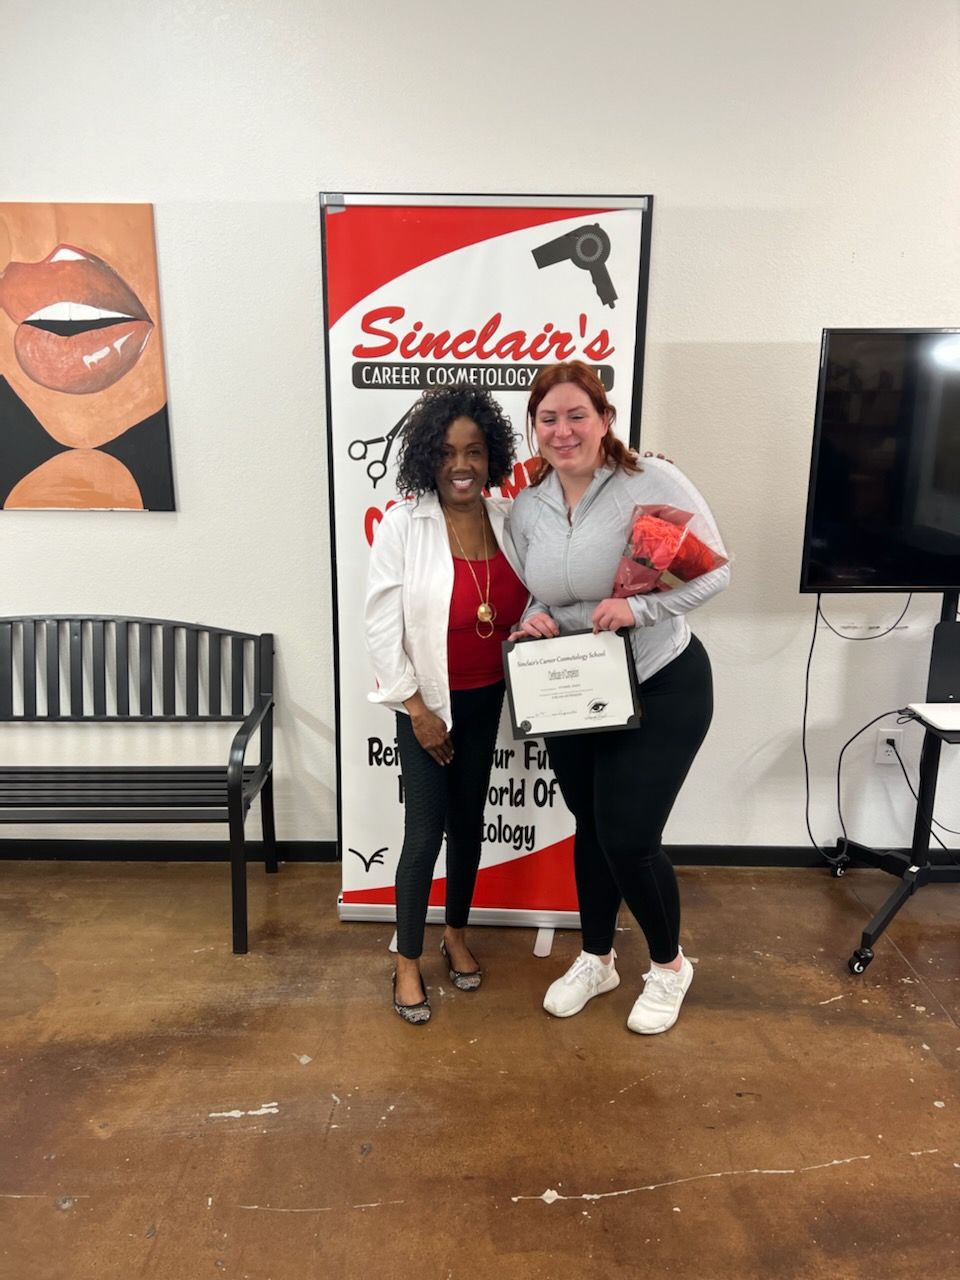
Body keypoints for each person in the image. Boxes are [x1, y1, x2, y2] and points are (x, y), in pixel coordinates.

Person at [510, 361, 729, 1034]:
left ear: (604, 419)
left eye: (577, 415)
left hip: (661, 682)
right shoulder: (528, 501)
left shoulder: (648, 482)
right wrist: (532, 621)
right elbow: (541, 589)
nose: (563, 430)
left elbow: (713, 574)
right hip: (576, 688)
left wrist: (640, 614)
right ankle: (597, 958)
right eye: (549, 419)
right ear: (536, 429)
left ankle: (669, 967)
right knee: (593, 827)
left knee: (631, 837)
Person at [365, 386, 529, 1025]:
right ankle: (407, 962)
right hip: (425, 706)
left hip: (487, 697)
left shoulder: (512, 518)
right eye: (448, 452)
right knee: (423, 834)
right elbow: (382, 628)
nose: (462, 464)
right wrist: (418, 710)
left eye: (476, 451)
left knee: (468, 827)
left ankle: (455, 933)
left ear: (492, 458)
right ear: (429, 459)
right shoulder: (406, 525)